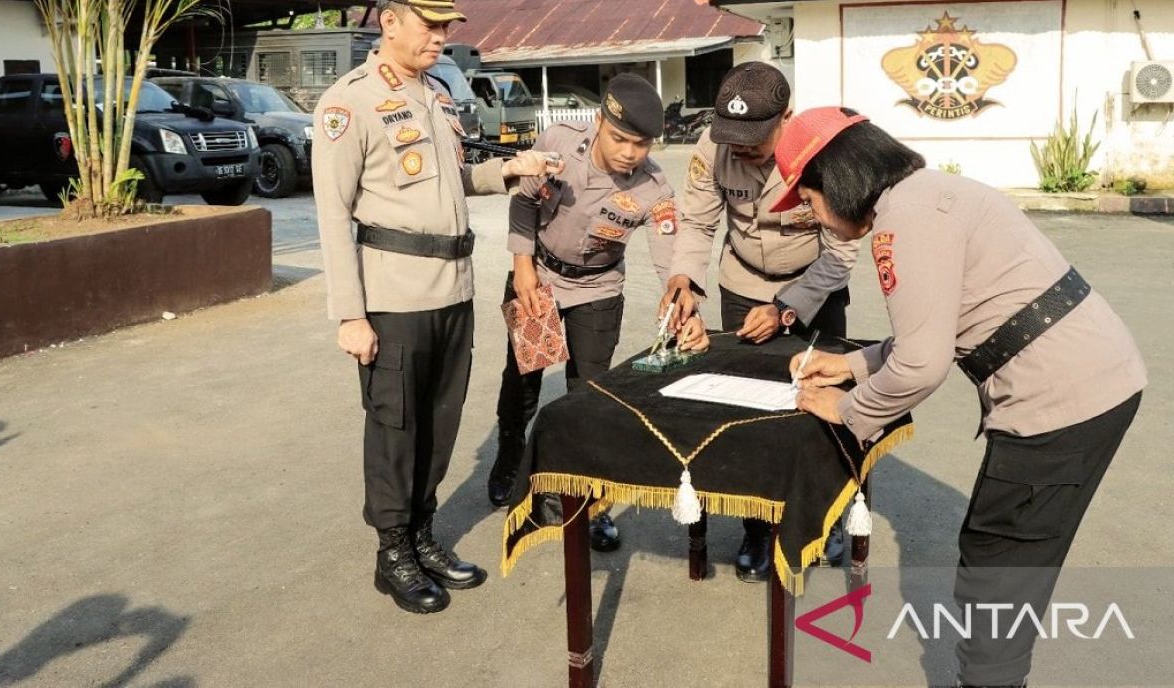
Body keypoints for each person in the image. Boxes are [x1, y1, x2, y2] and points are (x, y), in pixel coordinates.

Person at [781, 107, 1147, 688]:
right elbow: (943, 327)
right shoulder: (930, 193)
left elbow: (922, 364)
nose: (811, 214)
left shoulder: (904, 223)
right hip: (1094, 375)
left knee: (999, 565)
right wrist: (850, 364)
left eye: (808, 199)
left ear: (839, 179)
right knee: (1014, 558)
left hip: (1058, 399)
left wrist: (850, 410)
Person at [312, 0, 563, 615]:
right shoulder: (351, 102)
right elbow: (333, 216)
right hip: (392, 297)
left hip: (451, 290)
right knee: (396, 426)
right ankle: (392, 550)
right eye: (431, 24)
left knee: (440, 423)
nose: (442, 36)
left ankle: (423, 536)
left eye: (448, 25)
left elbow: (451, 183)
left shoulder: (437, 95)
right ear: (389, 20)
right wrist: (349, 315)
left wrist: (508, 169)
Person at [487, 73, 709, 551]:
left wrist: (680, 291)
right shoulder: (557, 146)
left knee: (590, 394)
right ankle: (510, 458)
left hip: (598, 288)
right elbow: (524, 202)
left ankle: (589, 500)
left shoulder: (654, 186)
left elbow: (668, 250)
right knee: (524, 380)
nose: (630, 152)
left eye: (642, 143)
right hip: (539, 279)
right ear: (598, 121)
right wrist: (522, 265)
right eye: (620, 138)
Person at [658, 62, 859, 581]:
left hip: (814, 285)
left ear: (786, 118)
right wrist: (683, 279)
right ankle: (755, 525)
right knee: (743, 405)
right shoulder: (712, 147)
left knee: (817, 404)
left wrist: (789, 306)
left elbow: (841, 250)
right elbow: (699, 221)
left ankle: (824, 516)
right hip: (741, 284)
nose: (741, 149)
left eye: (754, 138)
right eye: (733, 137)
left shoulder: (822, 153)